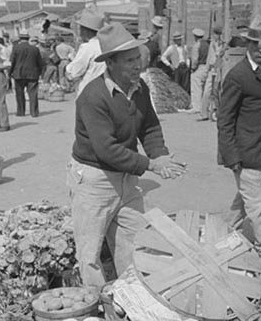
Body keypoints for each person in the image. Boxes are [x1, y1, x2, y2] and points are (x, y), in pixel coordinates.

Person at [68, 22, 186, 287]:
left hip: (126, 180)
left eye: (138, 58)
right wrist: (151, 165)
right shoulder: (93, 96)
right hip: (94, 179)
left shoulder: (139, 88)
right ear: (110, 63)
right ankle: (96, 308)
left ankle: (131, 298)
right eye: (130, 60)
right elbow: (106, 150)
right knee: (90, 253)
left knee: (134, 242)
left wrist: (162, 156)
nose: (137, 65)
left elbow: (150, 127)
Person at [216, 17, 261, 247]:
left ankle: (220, 244)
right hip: (248, 156)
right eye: (255, 45)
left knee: (246, 205)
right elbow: (224, 120)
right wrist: (232, 157)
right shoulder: (238, 76)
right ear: (248, 45)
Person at [66, 7, 107, 96]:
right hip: (106, 92)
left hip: (89, 93)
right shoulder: (107, 45)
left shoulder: (87, 48)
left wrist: (68, 68)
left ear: (85, 30)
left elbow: (74, 72)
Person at [10, 28, 44, 118]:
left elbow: (12, 62)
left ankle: (21, 112)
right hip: (32, 74)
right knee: (33, 94)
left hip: (18, 74)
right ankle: (34, 112)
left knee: (19, 94)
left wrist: (10, 73)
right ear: (28, 38)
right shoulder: (35, 49)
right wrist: (40, 72)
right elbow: (40, 62)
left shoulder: (16, 48)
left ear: (20, 38)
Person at [189, 27, 210, 118]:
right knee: (205, 88)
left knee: (196, 87)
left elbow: (195, 59)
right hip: (207, 66)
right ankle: (204, 106)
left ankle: (196, 106)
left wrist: (193, 68)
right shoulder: (207, 44)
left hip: (199, 66)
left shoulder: (196, 45)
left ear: (195, 36)